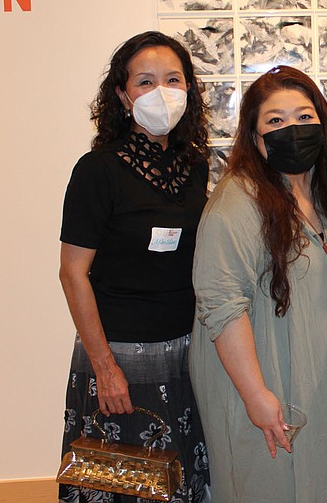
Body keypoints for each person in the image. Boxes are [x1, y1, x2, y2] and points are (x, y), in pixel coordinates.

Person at [189, 66, 327, 502]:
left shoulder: (326, 197)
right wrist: (256, 396)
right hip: (259, 379)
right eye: (275, 121)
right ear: (255, 137)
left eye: (304, 117)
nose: (292, 129)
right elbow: (222, 305)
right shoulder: (236, 202)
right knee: (264, 485)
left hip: (314, 378)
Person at [58, 31, 211, 503]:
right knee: (119, 480)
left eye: (173, 79)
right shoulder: (98, 170)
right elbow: (72, 273)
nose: (161, 92)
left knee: (180, 480)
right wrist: (104, 367)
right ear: (123, 96)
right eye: (145, 82)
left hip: (186, 353)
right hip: (119, 357)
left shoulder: (197, 167)